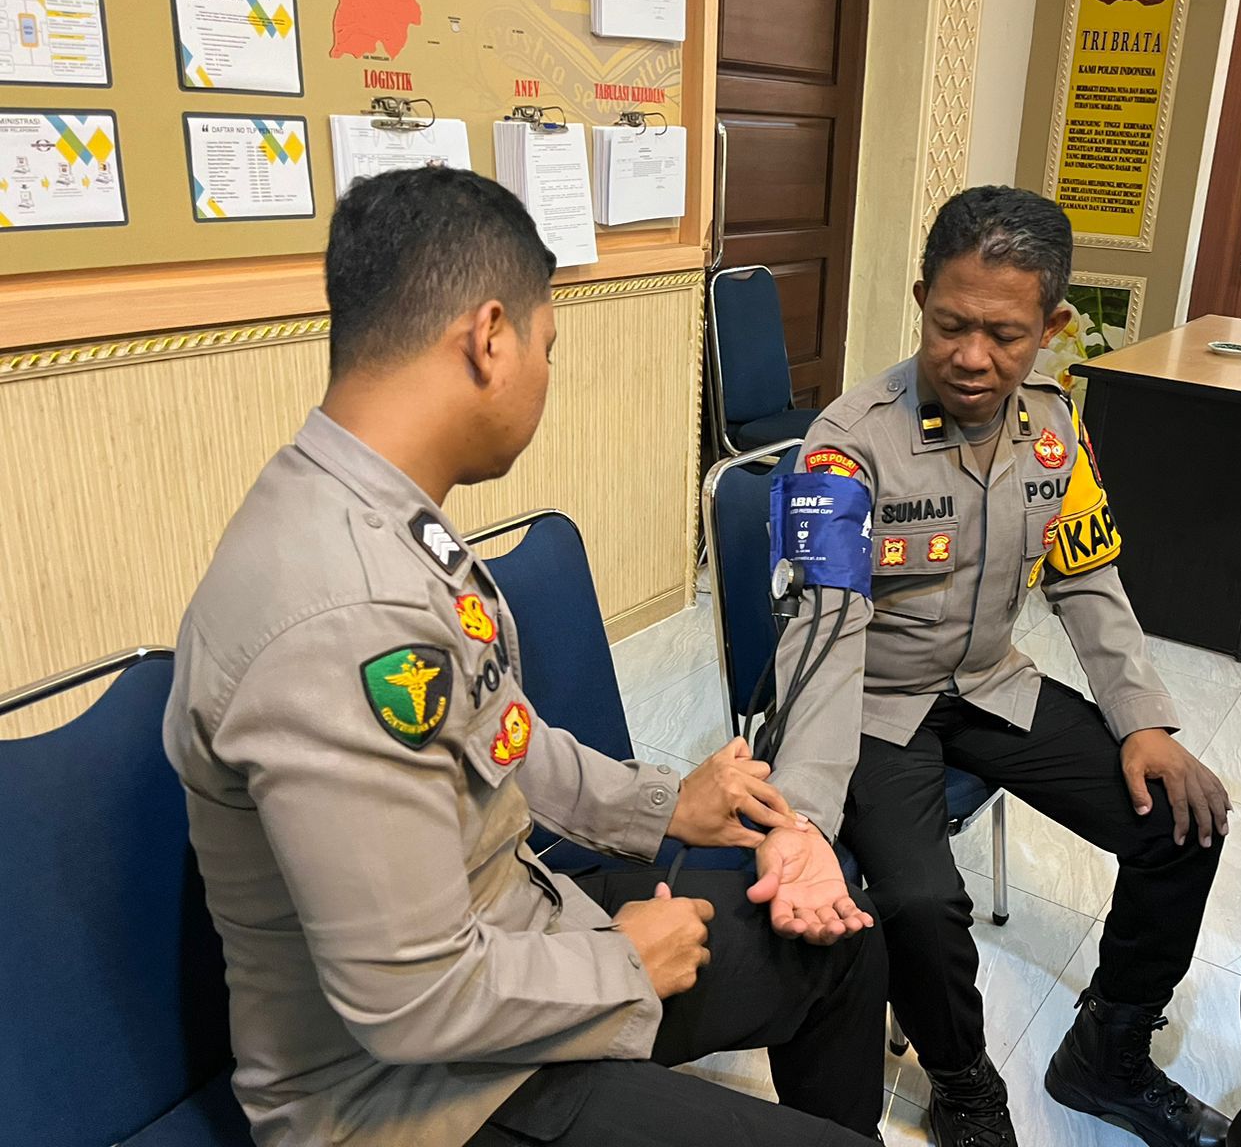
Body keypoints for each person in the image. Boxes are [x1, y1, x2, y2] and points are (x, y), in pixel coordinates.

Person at [164, 166, 886, 1147]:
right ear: (490, 337)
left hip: (514, 944)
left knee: (839, 945)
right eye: (549, 347)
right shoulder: (341, 613)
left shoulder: (384, 515)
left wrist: (665, 807)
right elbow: (408, 998)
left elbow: (503, 738)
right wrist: (623, 965)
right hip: (414, 1099)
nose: (548, 373)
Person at [758, 186, 1233, 1147]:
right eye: (950, 325)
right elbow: (824, 633)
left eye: (1005, 335)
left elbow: (1086, 576)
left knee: (1184, 822)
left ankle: (1108, 1052)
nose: (972, 357)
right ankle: (963, 1081)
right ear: (921, 299)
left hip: (988, 684)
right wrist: (803, 813)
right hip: (872, 703)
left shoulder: (1054, 429)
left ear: (1051, 327)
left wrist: (1143, 720)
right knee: (921, 901)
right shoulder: (848, 445)